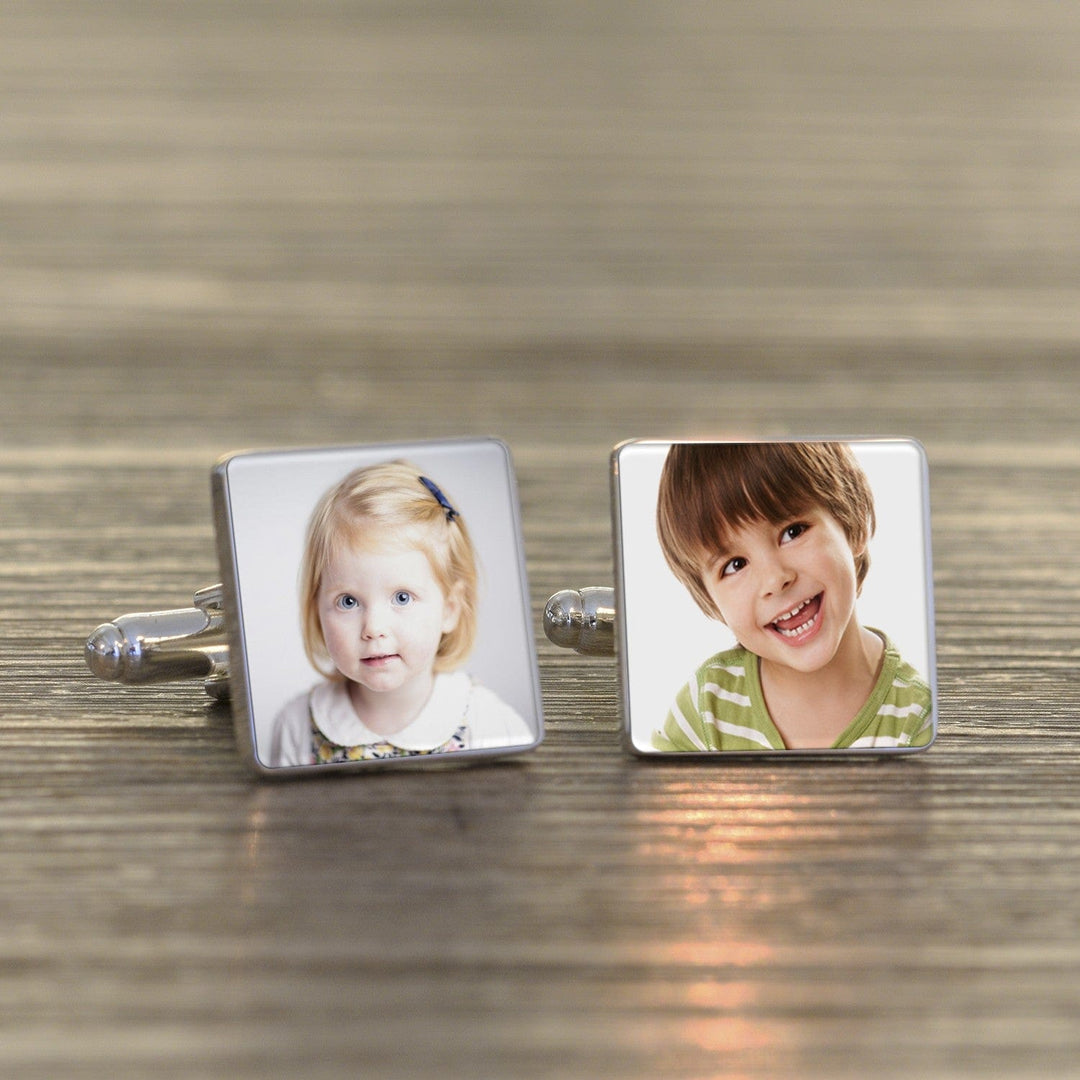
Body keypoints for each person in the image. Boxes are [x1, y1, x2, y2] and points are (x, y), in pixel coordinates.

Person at [652, 442, 933, 751]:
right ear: (710, 601)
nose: (775, 579)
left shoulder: (917, 718)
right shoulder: (705, 709)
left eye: (793, 531)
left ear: (853, 523)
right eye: (735, 565)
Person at [268, 461, 534, 766]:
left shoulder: (488, 725)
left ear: (450, 609)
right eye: (348, 602)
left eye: (402, 597)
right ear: (316, 610)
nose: (374, 628)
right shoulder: (297, 728)